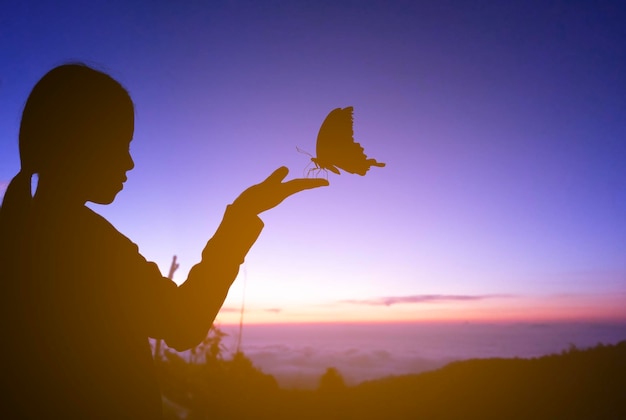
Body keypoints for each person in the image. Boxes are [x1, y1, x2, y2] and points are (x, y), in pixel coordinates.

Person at [0, 63, 328, 418]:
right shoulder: (89, 248)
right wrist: (240, 219)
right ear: (76, 143)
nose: (129, 163)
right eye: (119, 145)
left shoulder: (20, 231)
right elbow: (182, 323)